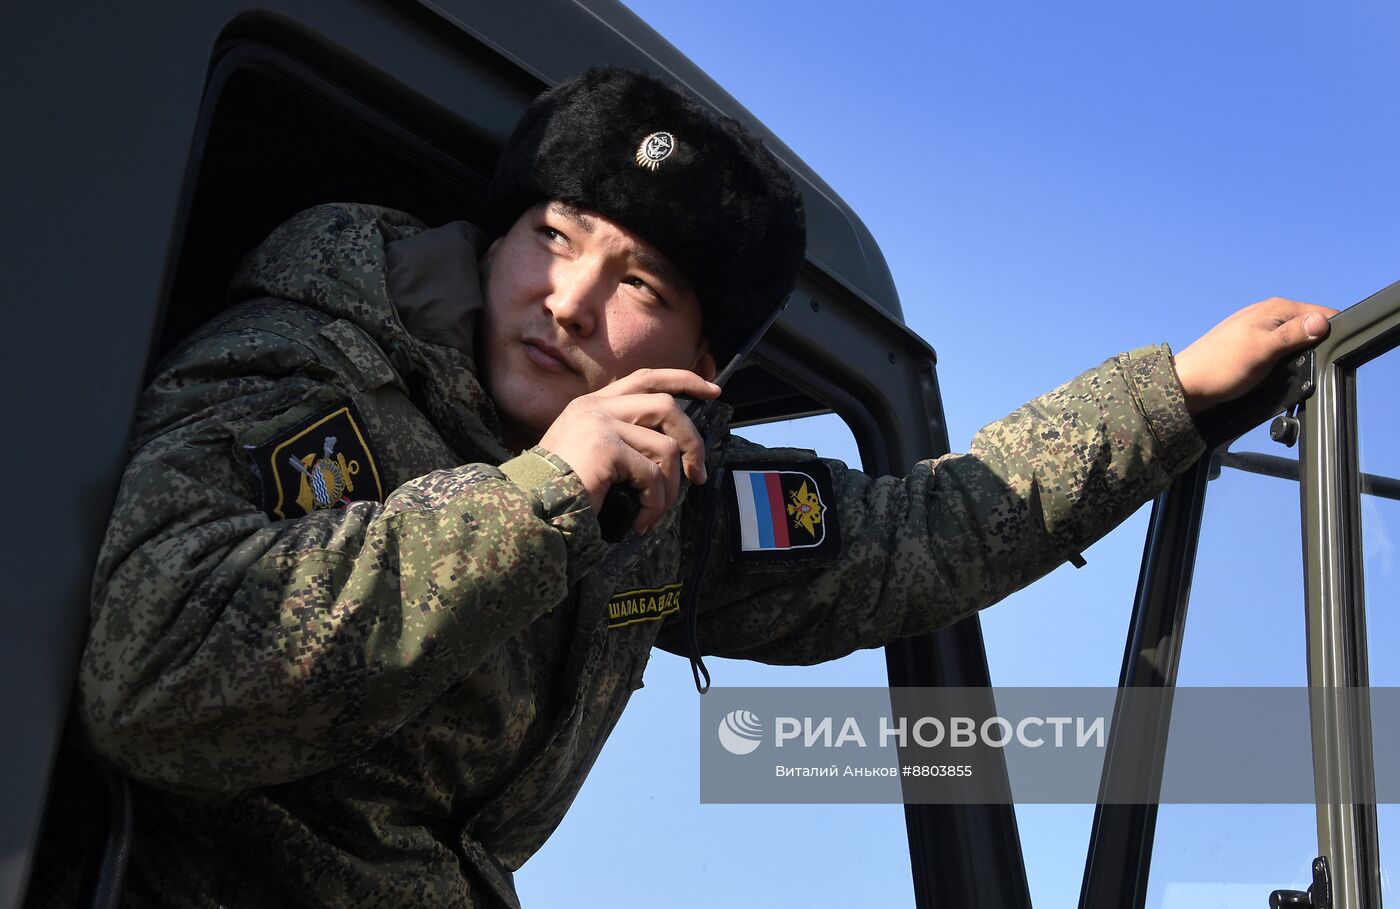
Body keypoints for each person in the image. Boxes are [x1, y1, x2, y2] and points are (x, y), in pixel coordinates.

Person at [66, 66, 1335, 907]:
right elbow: (156, 683)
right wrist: (539, 498)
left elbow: (910, 537)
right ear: (500, 232)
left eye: (639, 286)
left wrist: (1169, 393)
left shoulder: (658, 491)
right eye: (553, 237)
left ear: (702, 368)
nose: (563, 299)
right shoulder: (306, 359)